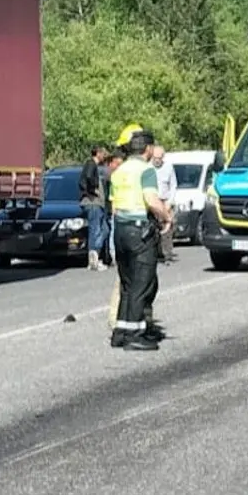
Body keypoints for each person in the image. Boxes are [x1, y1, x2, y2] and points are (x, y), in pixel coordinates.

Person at [109, 125, 172, 350]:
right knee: (142, 283)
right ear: (148, 148)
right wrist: (166, 218)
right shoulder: (146, 171)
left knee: (127, 283)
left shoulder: (119, 172)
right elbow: (152, 200)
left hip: (120, 230)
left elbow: (114, 206)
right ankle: (135, 334)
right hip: (139, 232)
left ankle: (121, 331)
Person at [79, 146, 110, 271]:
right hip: (93, 203)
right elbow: (86, 178)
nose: (105, 156)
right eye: (103, 153)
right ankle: (94, 261)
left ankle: (95, 253)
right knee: (95, 230)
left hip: (98, 204)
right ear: (97, 153)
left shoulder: (94, 166)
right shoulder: (91, 164)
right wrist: (92, 191)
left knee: (105, 229)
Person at [152, 145, 179, 265]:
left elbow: (173, 185)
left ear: (163, 157)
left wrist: (169, 202)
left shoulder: (168, 167)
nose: (157, 160)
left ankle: (167, 254)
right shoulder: (148, 167)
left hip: (165, 200)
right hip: (153, 200)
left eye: (159, 157)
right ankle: (156, 253)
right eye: (155, 157)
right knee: (154, 228)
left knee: (167, 229)